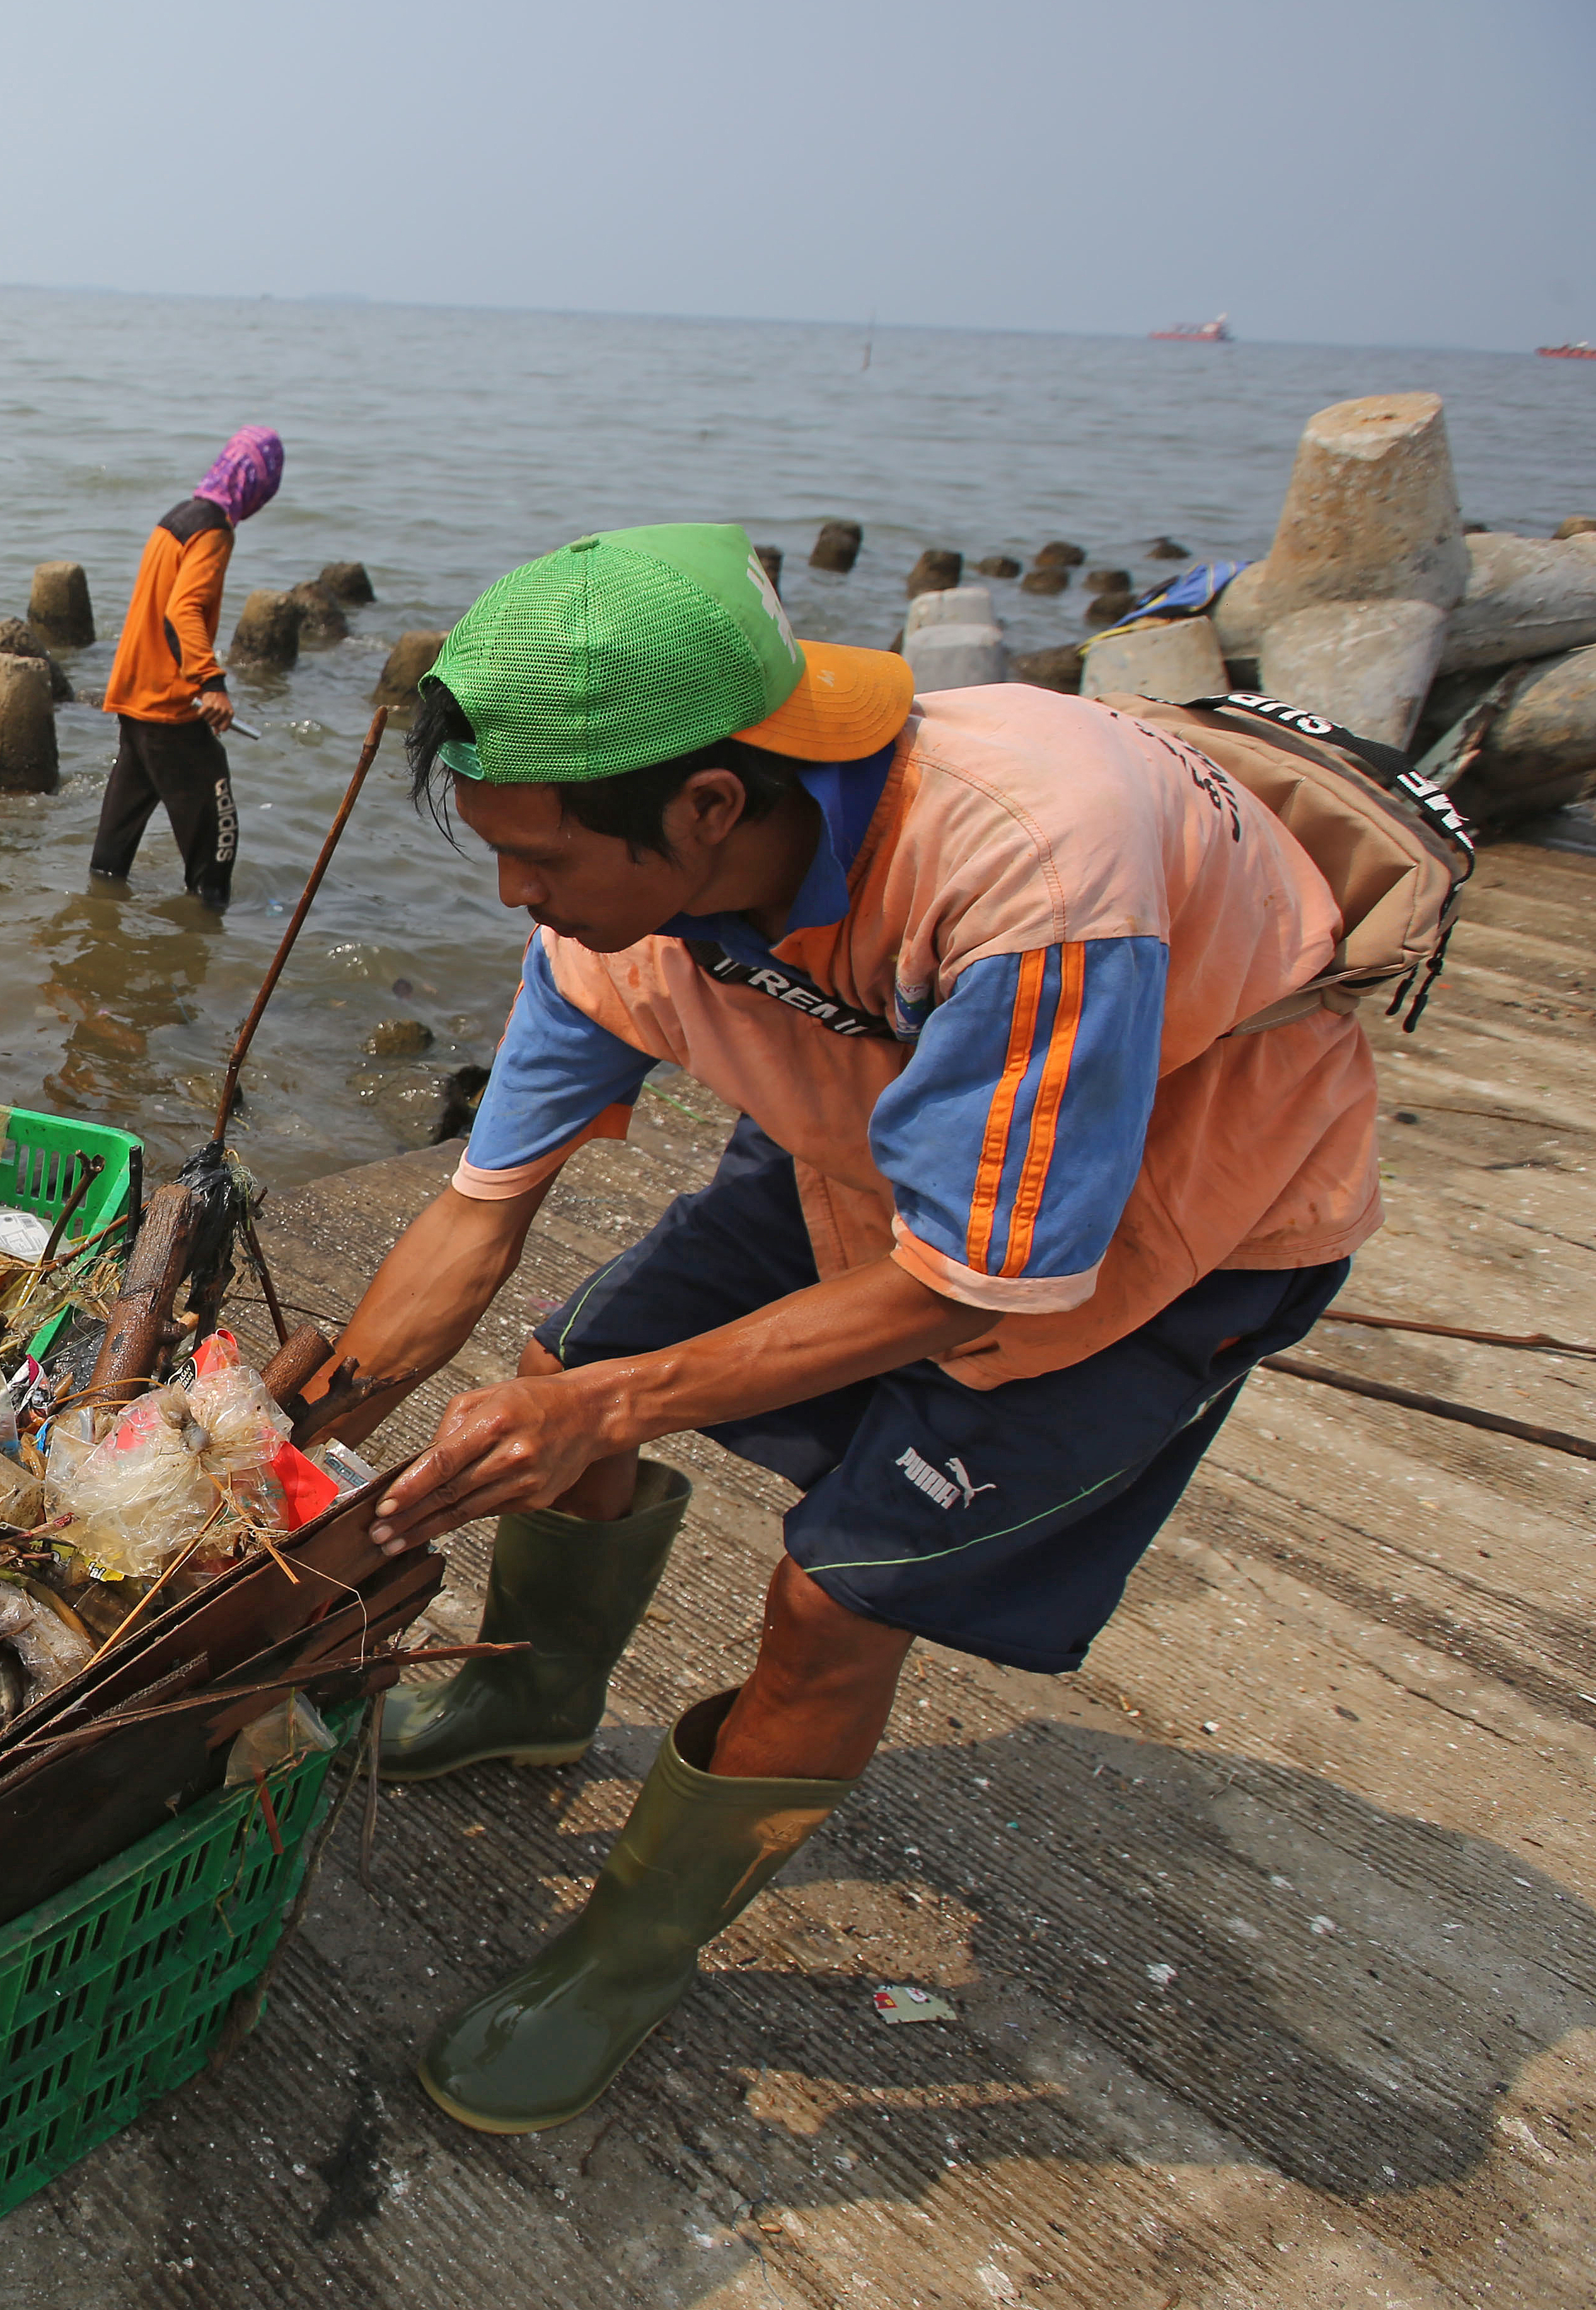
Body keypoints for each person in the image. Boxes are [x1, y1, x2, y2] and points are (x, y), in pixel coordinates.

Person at [304, 524, 1375, 2135]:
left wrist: (623, 1404)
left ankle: (634, 1944)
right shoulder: (625, 916)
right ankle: (526, 1695)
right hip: (874, 1115)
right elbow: (475, 1206)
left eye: (541, 862)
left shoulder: (1028, 865)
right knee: (553, 1371)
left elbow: (974, 1275)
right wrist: (282, 1435)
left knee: (827, 1595)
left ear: (709, 806)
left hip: (1162, 1185)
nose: (518, 900)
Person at [90, 425, 282, 908]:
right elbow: (182, 612)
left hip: (135, 701)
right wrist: (211, 682)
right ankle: (207, 947)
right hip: (168, 708)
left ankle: (95, 925)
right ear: (258, 485)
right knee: (217, 846)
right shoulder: (212, 530)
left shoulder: (177, 517)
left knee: (111, 857)